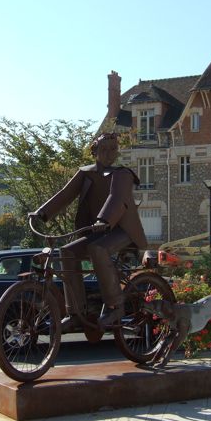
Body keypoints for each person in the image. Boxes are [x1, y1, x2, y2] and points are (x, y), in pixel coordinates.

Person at [30, 132, 147, 329]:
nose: (109, 154)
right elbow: (65, 194)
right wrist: (41, 212)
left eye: (113, 149)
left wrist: (104, 219)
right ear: (94, 152)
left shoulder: (123, 174)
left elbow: (117, 198)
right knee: (67, 252)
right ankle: (76, 312)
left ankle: (115, 306)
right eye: (104, 149)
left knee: (97, 249)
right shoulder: (86, 173)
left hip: (122, 230)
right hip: (97, 231)